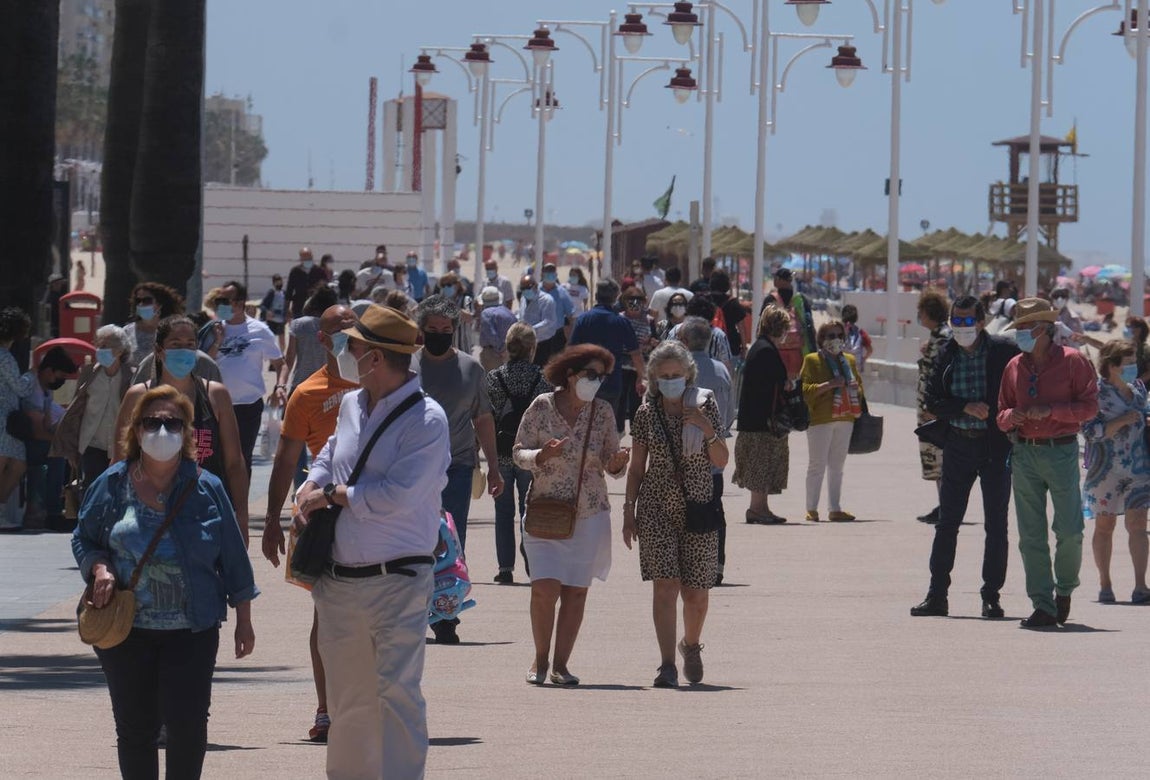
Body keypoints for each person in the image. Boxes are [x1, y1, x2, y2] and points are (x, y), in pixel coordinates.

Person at [293, 304, 450, 780]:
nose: (343, 351)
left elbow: (399, 496)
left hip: (398, 580)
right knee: (348, 701)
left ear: (375, 358)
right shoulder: (349, 404)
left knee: (397, 694)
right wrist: (311, 483)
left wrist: (334, 495)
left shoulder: (427, 419)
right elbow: (330, 453)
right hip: (338, 582)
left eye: (352, 345)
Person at [73, 385, 257, 780]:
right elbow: (83, 537)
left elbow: (234, 557)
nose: (161, 430)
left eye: (172, 423)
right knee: (135, 728)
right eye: (151, 422)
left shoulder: (208, 488)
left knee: (188, 726)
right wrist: (99, 568)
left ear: (188, 432)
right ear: (135, 431)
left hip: (192, 628)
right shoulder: (111, 483)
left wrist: (244, 618)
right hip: (126, 630)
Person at [262, 304, 358, 744]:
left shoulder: (384, 381)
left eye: (354, 326)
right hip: (325, 516)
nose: (349, 334)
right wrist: (271, 521)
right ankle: (325, 709)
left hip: (378, 511)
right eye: (340, 329)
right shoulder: (307, 393)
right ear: (322, 340)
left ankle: (363, 705)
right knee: (327, 613)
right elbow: (285, 460)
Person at [514, 344, 629, 684]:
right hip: (545, 511)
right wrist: (540, 456)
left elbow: (612, 463)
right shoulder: (541, 407)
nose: (596, 381)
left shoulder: (604, 412)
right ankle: (540, 660)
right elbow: (518, 451)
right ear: (570, 374)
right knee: (544, 589)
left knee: (576, 591)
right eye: (590, 374)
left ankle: (561, 666)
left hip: (589, 513)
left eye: (602, 376)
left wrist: (618, 463)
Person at [623, 341, 727, 687]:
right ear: (653, 378)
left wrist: (706, 428)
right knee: (664, 585)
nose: (670, 380)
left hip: (698, 503)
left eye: (676, 375)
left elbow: (722, 460)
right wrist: (628, 511)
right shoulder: (645, 413)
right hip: (656, 505)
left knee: (696, 592)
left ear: (688, 375)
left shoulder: (705, 404)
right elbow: (637, 468)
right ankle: (666, 665)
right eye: (664, 376)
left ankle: (691, 645)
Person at [910, 296, 1019, 619]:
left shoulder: (1003, 351)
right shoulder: (945, 353)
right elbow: (931, 399)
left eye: (967, 321)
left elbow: (1020, 389)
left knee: (996, 525)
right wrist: (962, 406)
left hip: (995, 446)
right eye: (956, 321)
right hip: (959, 444)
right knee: (948, 523)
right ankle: (937, 595)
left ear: (982, 321)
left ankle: (991, 596)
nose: (961, 327)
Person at [997, 297, 1099, 628]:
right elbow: (1001, 414)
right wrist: (1013, 416)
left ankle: (1064, 590)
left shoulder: (1073, 362)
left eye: (1027, 328)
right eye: (1019, 329)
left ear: (1045, 329)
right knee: (1031, 535)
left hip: (1062, 451)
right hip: (1024, 452)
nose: (1022, 335)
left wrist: (1052, 411)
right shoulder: (1014, 366)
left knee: (1070, 530)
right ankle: (1042, 604)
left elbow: (1090, 407)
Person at [412, 295, 504, 643]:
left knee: (451, 541)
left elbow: (483, 418)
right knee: (413, 539)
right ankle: (413, 610)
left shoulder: (471, 368)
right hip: (413, 469)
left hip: (459, 466)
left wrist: (493, 467)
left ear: (455, 330)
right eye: (433, 329)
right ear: (422, 330)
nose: (439, 334)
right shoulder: (406, 366)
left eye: (446, 329)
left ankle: (446, 616)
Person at [114, 316, 251, 545]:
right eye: (175, 344)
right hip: (147, 517)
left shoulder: (216, 395)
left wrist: (242, 518)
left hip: (206, 517)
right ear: (159, 351)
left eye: (190, 345)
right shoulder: (138, 396)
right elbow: (119, 462)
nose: (184, 351)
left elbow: (234, 463)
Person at [1081, 340, 1150, 604]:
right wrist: (1120, 422)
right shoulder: (1096, 394)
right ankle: (1105, 583)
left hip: (1138, 468)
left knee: (1138, 526)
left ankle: (1141, 587)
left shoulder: (1139, 390)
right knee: (1105, 526)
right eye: (1128, 362)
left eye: (1135, 361)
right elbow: (1089, 432)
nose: (1134, 367)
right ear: (1112, 365)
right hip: (1105, 471)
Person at [488, 323, 551, 584]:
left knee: (503, 511)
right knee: (529, 509)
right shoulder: (543, 377)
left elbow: (488, 416)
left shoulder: (494, 377)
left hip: (502, 451)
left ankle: (505, 568)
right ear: (532, 348)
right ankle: (531, 555)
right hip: (530, 452)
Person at [206, 280, 285, 473]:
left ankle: (239, 503)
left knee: (241, 459)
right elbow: (203, 364)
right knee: (215, 460)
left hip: (248, 406)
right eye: (220, 300)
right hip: (215, 406)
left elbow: (280, 364)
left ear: (241, 302)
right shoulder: (212, 329)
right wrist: (216, 342)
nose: (222, 304)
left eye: (227, 300)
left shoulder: (260, 330)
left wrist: (280, 387)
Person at [678, 317, 733, 584]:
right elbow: (730, 412)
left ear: (685, 342)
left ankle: (687, 564)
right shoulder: (722, 370)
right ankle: (716, 565)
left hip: (684, 459)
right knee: (714, 510)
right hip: (715, 456)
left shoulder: (679, 371)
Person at [51, 325, 134, 492]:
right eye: (98, 345)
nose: (98, 350)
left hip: (120, 446)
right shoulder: (88, 374)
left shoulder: (131, 376)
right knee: (91, 492)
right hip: (91, 444)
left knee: (115, 493)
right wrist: (71, 448)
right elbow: (76, 411)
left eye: (104, 346)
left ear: (119, 350)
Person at [734, 305, 793, 525]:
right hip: (761, 421)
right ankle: (757, 509)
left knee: (764, 464)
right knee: (760, 464)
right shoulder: (766, 350)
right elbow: (772, 384)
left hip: (755, 419)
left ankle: (761, 508)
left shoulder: (760, 347)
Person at [800, 321, 865, 523]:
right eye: (830, 336)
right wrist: (829, 385)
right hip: (821, 418)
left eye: (839, 335)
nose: (835, 340)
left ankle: (834, 508)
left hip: (845, 417)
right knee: (817, 464)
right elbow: (804, 390)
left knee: (837, 465)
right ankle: (811, 508)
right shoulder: (812, 360)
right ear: (821, 339)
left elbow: (861, 391)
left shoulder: (850, 361)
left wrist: (855, 388)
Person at [569, 279, 647, 435]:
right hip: (611, 382)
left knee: (585, 427)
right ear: (615, 298)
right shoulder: (620, 322)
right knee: (607, 428)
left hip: (585, 382)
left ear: (596, 296)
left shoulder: (584, 319)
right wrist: (641, 377)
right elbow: (636, 354)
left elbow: (571, 351)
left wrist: (570, 379)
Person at [18, 345, 75, 528]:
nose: (62, 381)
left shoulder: (46, 389)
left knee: (60, 453)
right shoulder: (31, 385)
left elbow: (48, 425)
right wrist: (60, 443)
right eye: (62, 376)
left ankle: (55, 508)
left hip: (37, 439)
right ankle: (52, 512)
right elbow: (36, 431)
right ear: (50, 371)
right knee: (56, 455)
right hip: (24, 441)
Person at [915, 291, 951, 524]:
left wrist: (935, 407)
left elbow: (940, 376)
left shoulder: (943, 339)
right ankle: (944, 504)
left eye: (921, 313)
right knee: (937, 461)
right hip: (928, 409)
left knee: (942, 459)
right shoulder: (936, 337)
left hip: (934, 410)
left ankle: (947, 507)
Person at [0, 307, 30, 530]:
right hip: (4, 416)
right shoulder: (5, 356)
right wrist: (32, 376)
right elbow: (20, 387)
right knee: (14, 463)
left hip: (6, 417)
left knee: (13, 462)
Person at [767, 268, 816, 379]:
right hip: (797, 351)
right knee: (796, 382)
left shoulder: (771, 299)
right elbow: (810, 327)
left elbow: (764, 324)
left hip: (777, 350)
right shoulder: (800, 299)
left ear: (779, 280)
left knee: (779, 383)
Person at [123, 282, 184, 367]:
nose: (141, 304)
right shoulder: (127, 332)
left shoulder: (171, 331)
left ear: (159, 304)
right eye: (138, 301)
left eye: (147, 301)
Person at [519, 274, 559, 367]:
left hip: (542, 344)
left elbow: (549, 321)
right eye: (523, 288)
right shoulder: (523, 299)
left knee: (541, 373)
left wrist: (530, 329)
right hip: (526, 343)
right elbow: (521, 315)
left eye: (528, 287)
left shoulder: (546, 300)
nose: (525, 290)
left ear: (535, 286)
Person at [707, 269, 748, 358]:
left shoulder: (705, 300)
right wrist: (744, 348)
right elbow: (741, 327)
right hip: (730, 347)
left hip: (708, 346)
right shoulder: (733, 302)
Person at [432, 272, 476, 354]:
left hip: (462, 348)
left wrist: (453, 307)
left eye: (448, 285)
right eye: (443, 286)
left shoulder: (466, 300)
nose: (446, 288)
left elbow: (470, 318)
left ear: (457, 285)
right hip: (445, 350)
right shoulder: (440, 302)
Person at [540, 262, 576, 358]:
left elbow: (570, 316)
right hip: (539, 335)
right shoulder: (536, 291)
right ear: (542, 274)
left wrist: (570, 339)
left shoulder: (562, 293)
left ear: (556, 274)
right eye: (547, 272)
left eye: (552, 272)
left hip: (556, 336)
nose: (550, 274)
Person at [478, 286, 516, 372]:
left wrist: (501, 349)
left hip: (493, 353)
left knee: (492, 381)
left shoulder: (486, 313)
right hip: (510, 352)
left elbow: (491, 333)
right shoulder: (508, 312)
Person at [286, 247, 329, 320]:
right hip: (298, 307)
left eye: (309, 259)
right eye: (305, 259)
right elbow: (289, 290)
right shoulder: (295, 271)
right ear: (300, 259)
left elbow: (326, 289)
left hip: (315, 309)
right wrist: (287, 308)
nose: (307, 261)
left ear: (312, 257)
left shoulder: (319, 271)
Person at [259, 274, 288, 352]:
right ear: (274, 283)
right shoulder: (271, 293)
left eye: (280, 281)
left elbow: (287, 306)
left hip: (281, 321)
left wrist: (287, 316)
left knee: (282, 340)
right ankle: (272, 356)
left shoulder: (285, 293)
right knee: (271, 340)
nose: (279, 283)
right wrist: (267, 312)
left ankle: (282, 356)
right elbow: (262, 305)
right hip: (272, 320)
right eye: (277, 282)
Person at [841, 304, 873, 373]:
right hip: (856, 367)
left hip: (841, 367)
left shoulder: (837, 331)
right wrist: (863, 359)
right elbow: (870, 350)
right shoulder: (861, 333)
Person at [1126, 316, 1150, 383]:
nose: (1128, 329)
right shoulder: (1126, 346)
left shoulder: (1145, 349)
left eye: (1130, 326)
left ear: (1139, 330)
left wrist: (1137, 383)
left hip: (1140, 389)